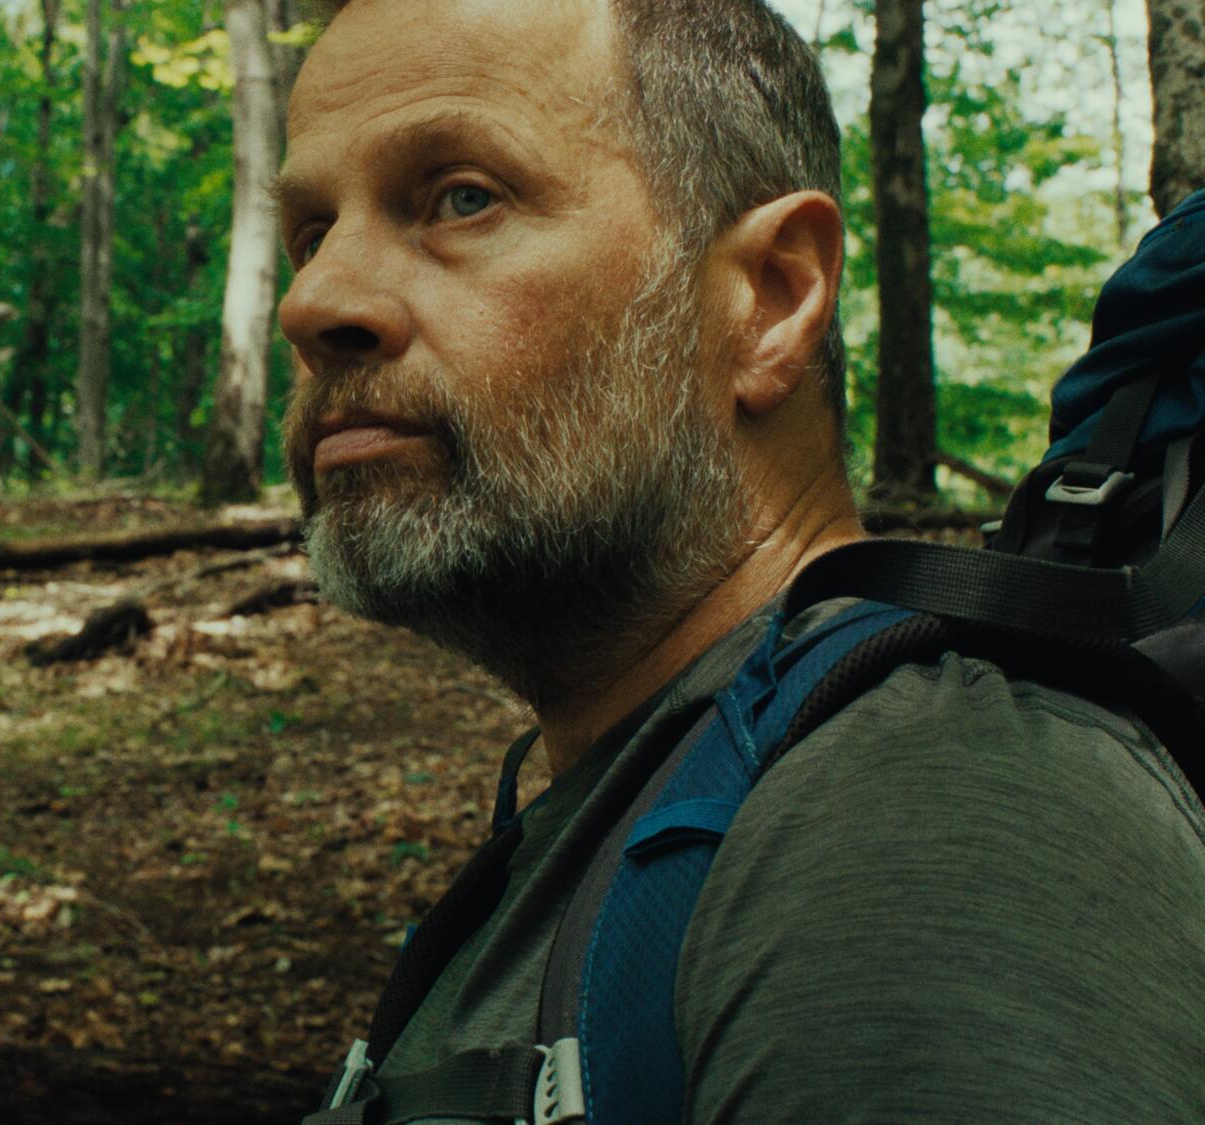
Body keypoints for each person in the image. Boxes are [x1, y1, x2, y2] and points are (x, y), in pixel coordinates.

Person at [275, 0, 1205, 1118]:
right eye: (311, 230)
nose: (312, 299)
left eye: (459, 198)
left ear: (766, 298)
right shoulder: (646, 796)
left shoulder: (917, 816)